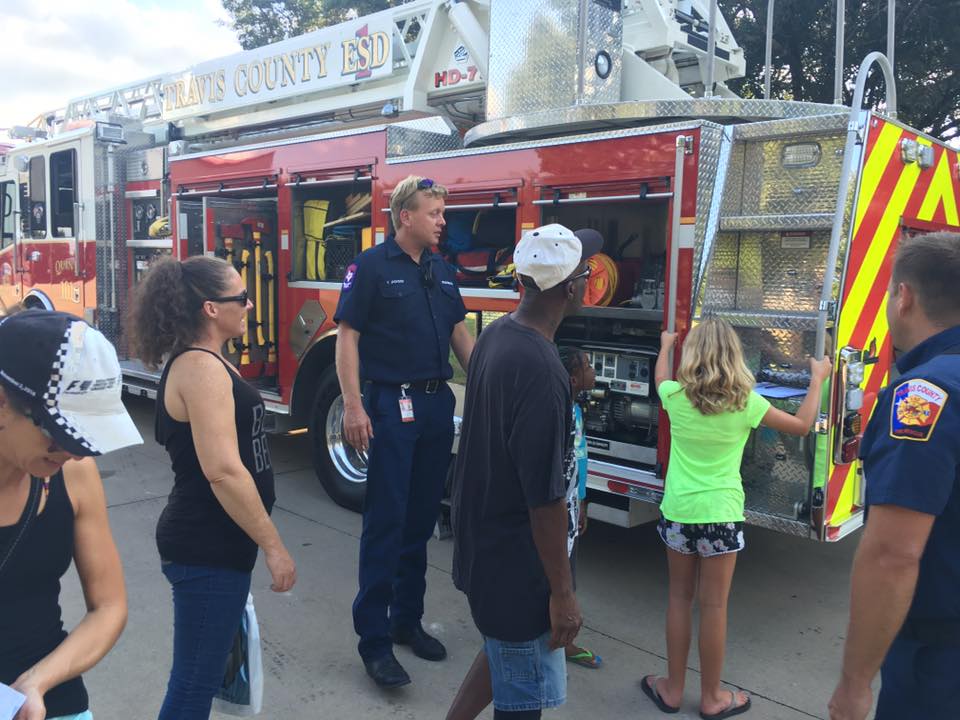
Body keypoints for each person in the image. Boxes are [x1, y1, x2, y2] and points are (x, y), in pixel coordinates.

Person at [125, 256, 297, 720]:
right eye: (239, 298)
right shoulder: (200, 368)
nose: (248, 305)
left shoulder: (210, 361)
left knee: (200, 678)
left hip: (218, 545)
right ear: (210, 309)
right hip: (205, 546)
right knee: (193, 686)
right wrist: (274, 546)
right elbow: (222, 470)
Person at [447, 224, 603, 720]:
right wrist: (562, 595)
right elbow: (543, 499)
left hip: (489, 553)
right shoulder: (541, 368)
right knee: (522, 699)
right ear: (571, 288)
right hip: (518, 566)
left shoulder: (495, 336)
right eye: (585, 271)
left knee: (504, 651)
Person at [642, 317, 830, 719]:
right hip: (722, 516)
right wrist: (818, 378)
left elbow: (660, 377)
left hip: (679, 512)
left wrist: (665, 346)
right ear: (734, 356)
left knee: (679, 599)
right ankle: (711, 698)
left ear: (692, 355)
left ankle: (672, 690)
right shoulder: (746, 402)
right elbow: (801, 426)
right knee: (714, 607)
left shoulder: (674, 395)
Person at [334, 175, 475, 688]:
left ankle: (405, 621)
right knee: (386, 523)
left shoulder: (440, 269)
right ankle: (373, 641)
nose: (442, 221)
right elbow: (347, 337)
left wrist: (490, 384)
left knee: (419, 523)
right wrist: (353, 405)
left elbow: (461, 336)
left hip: (436, 406)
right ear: (404, 217)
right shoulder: (370, 267)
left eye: (442, 211)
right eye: (433, 212)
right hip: (391, 406)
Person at [829, 232, 960, 720]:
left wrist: (854, 685)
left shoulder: (924, 396)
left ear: (903, 298)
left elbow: (892, 556)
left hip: (939, 664)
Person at [0, 308, 143, 720]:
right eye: (59, 434)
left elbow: (109, 607)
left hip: (48, 700)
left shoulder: (75, 475)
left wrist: (37, 681)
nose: (75, 452)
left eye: (86, 439)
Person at [557, 346, 602, 669]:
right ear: (574, 379)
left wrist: (582, 501)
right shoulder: (558, 413)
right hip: (558, 509)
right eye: (587, 366)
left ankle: (562, 640)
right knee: (559, 575)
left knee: (569, 570)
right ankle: (559, 641)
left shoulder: (574, 410)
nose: (593, 371)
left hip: (573, 504)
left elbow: (580, 460)